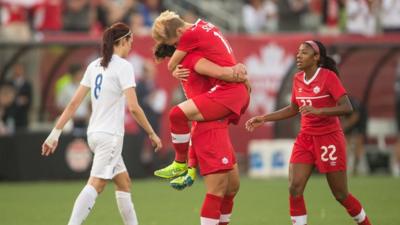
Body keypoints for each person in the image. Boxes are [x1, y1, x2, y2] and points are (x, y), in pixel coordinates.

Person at [41, 22, 162, 225]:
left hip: (94, 135)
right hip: (110, 137)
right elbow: (134, 107)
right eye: (130, 40)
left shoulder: (94, 65)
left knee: (124, 183)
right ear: (122, 41)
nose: (131, 44)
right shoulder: (124, 67)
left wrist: (55, 133)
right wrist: (151, 133)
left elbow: (73, 103)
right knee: (96, 184)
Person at [246, 40, 372, 225]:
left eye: (304, 53)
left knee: (340, 194)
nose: (299, 55)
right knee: (295, 187)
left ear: (316, 57)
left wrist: (320, 111)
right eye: (298, 52)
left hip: (329, 138)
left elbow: (347, 107)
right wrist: (264, 118)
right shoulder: (297, 78)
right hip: (305, 138)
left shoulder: (328, 77)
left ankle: (365, 222)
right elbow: (293, 108)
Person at [154, 42, 247, 225]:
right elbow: (224, 73)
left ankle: (182, 163)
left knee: (231, 188)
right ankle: (179, 162)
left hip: (217, 128)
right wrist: (240, 72)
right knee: (217, 190)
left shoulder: (191, 62)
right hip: (210, 130)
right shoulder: (195, 60)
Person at [151, 10, 250, 179]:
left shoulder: (191, 53)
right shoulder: (204, 27)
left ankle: (180, 164)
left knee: (177, 114)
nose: (176, 51)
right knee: (230, 189)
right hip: (227, 96)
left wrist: (237, 75)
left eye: (175, 45)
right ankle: (186, 169)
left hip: (227, 93)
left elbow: (220, 72)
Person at [342, 96, 368, 176]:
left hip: (360, 118)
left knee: (358, 142)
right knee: (345, 143)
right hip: (349, 118)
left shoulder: (349, 102)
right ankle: (346, 167)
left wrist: (344, 126)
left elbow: (355, 116)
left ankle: (356, 167)